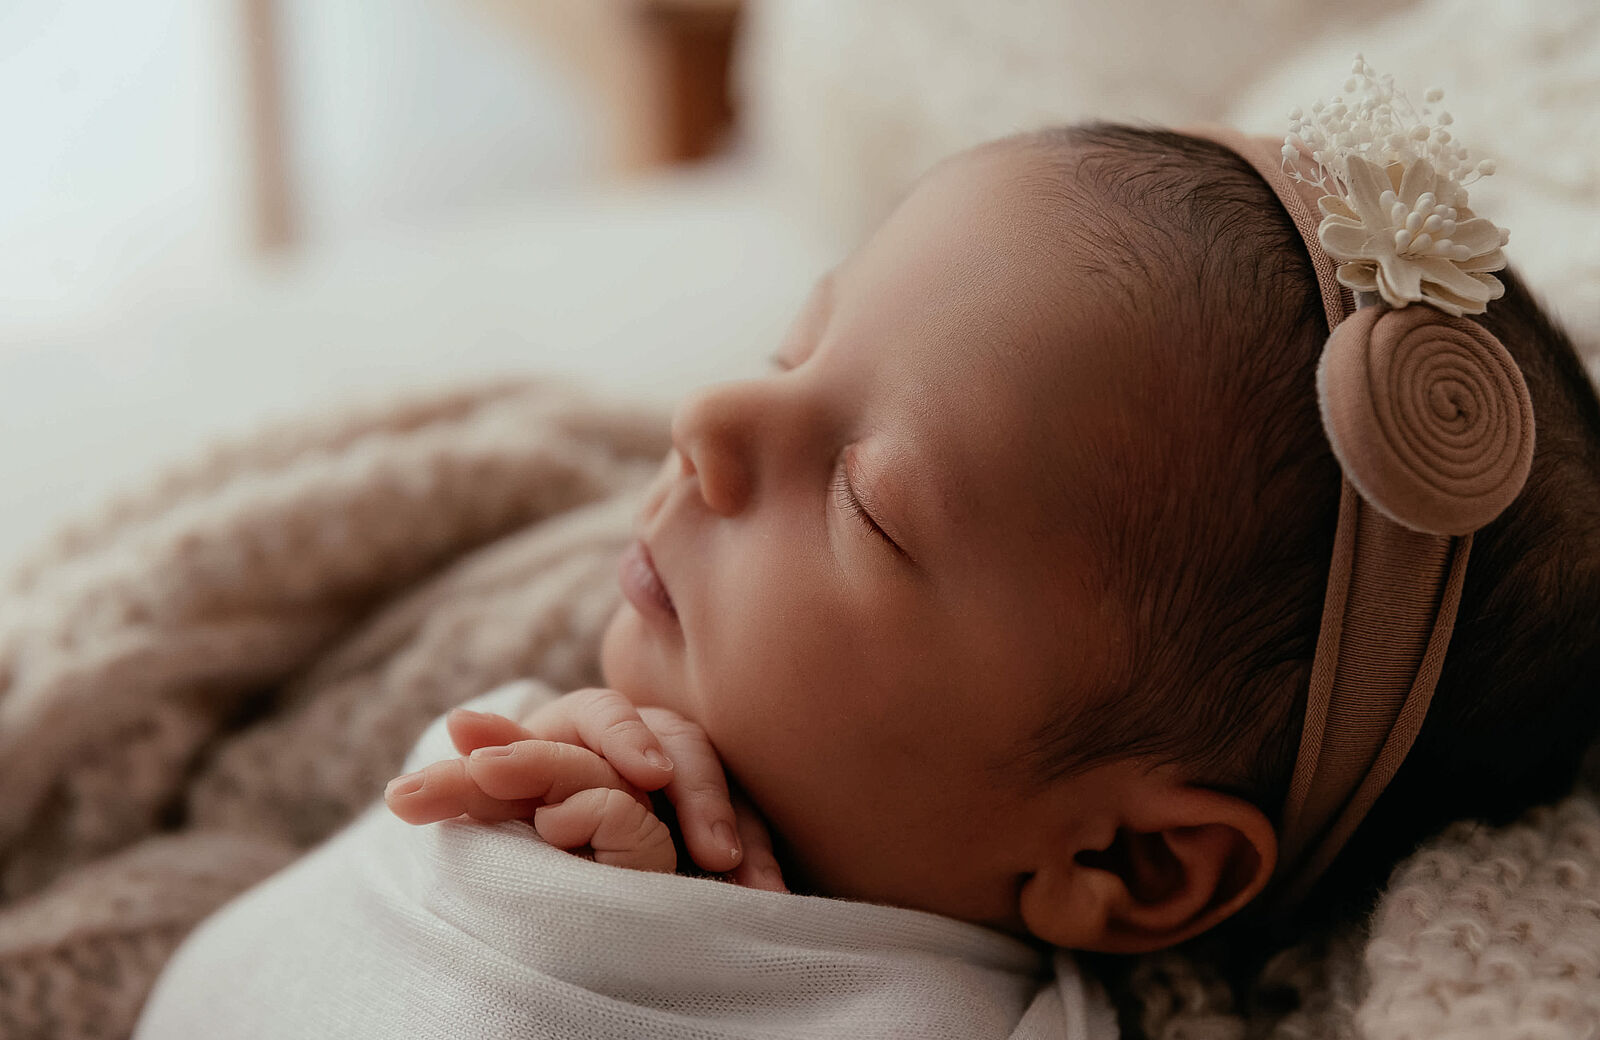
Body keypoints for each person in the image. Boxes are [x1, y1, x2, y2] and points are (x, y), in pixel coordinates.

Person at [136, 64, 1600, 1039]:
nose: (710, 417)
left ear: (1131, 864)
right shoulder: (544, 748)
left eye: (869, 504)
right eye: (795, 342)